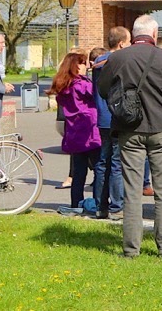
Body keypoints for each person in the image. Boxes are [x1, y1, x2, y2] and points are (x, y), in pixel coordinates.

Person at [94, 14, 162, 259]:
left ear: (133, 34)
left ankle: (131, 249)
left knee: (132, 191)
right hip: (161, 129)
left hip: (129, 129)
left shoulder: (117, 58)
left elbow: (103, 89)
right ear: (155, 35)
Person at [50, 49, 102, 215]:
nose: (85, 66)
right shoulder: (81, 84)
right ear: (75, 66)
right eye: (82, 63)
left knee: (78, 171)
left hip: (74, 131)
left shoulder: (64, 85)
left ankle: (76, 203)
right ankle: (99, 202)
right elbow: (98, 93)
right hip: (90, 131)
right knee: (100, 167)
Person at [92, 26, 130, 220]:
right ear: (122, 43)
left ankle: (100, 204)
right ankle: (117, 206)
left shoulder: (99, 60)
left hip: (101, 115)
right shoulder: (118, 61)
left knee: (102, 161)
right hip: (114, 115)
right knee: (116, 162)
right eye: (129, 42)